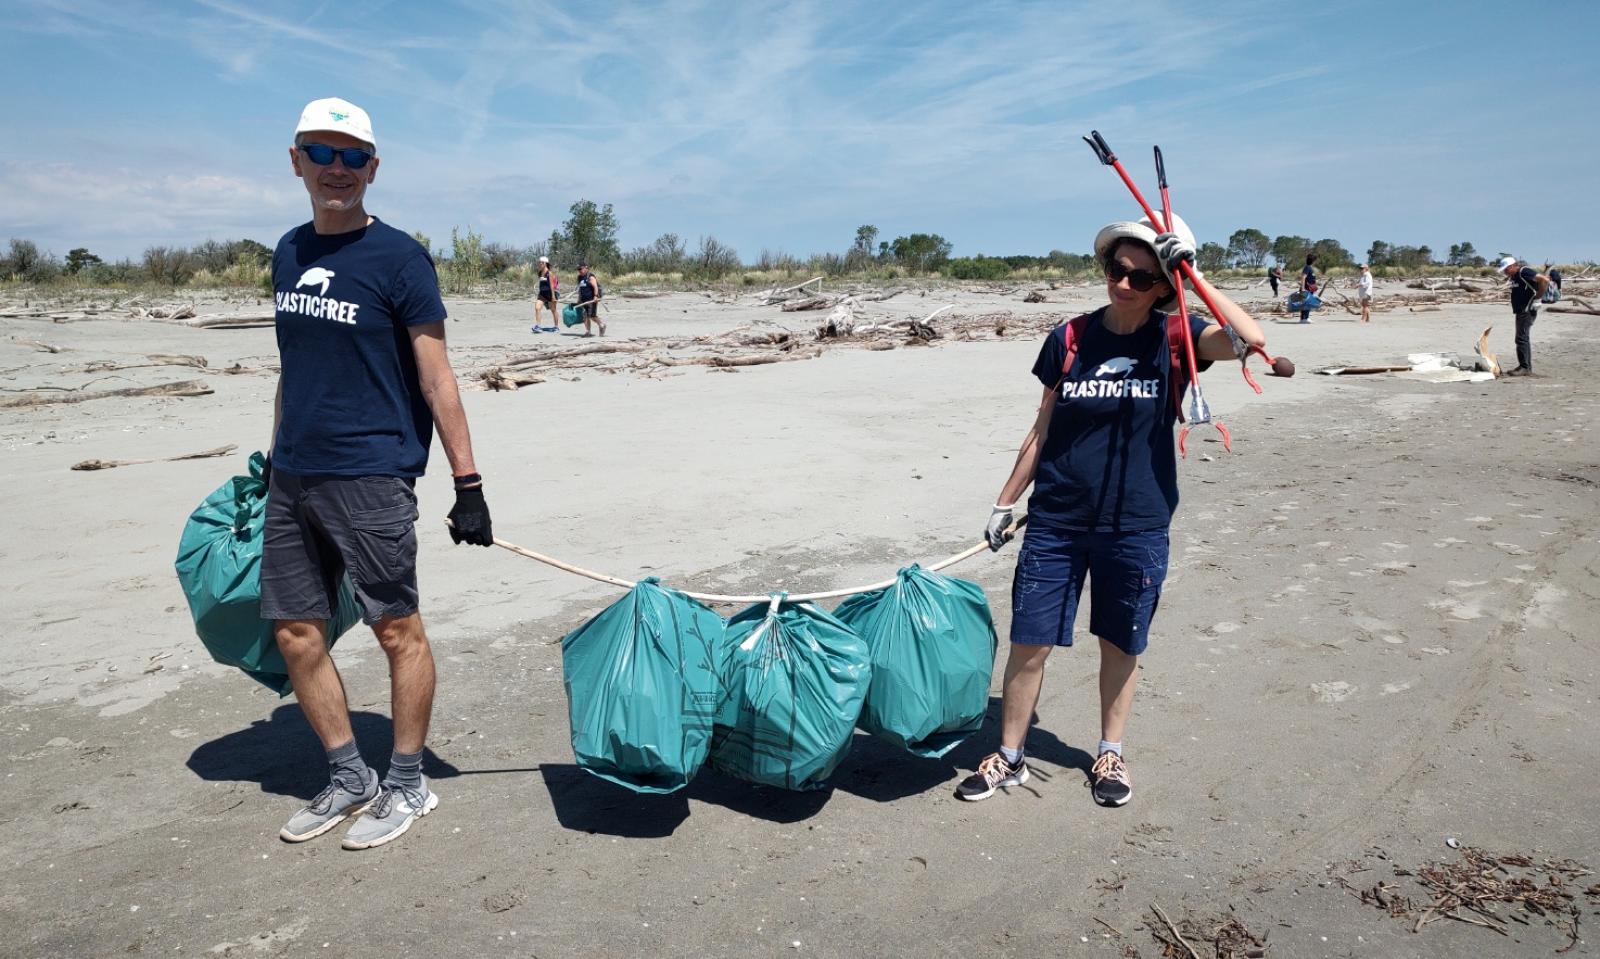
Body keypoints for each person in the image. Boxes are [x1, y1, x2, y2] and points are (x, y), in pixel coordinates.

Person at [956, 214, 1267, 807]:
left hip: (1138, 521)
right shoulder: (1069, 338)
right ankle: (1012, 756)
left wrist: (1193, 275)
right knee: (1030, 640)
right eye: (1116, 271)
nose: (1124, 285)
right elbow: (1041, 430)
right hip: (1057, 519)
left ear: (1165, 286)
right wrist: (1004, 502)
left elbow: (1249, 339)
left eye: (1143, 277)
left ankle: (1109, 752)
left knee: (1121, 643)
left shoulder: (1178, 339)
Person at [264, 97, 495, 851]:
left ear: (373, 168)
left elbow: (438, 377)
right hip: (293, 474)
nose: (338, 170)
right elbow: (291, 370)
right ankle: (348, 775)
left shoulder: (400, 259)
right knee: (297, 631)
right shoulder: (288, 252)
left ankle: (405, 782)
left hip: (371, 474)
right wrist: (272, 461)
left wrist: (469, 485)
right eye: (321, 154)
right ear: (296, 159)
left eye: (352, 156)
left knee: (396, 629)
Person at [1494, 255, 1550, 376]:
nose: (1505, 272)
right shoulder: (1515, 276)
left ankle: (1525, 368)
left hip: (1527, 309)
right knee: (1522, 338)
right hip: (1521, 310)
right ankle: (1524, 366)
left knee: (1521, 338)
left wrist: (1538, 299)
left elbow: (1544, 280)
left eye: (1506, 269)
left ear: (1513, 266)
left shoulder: (1524, 271)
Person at [576, 261, 606, 337]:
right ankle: (588, 332)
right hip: (583, 299)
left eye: (581, 269)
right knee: (585, 316)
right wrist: (579, 299)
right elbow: (580, 289)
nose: (579, 271)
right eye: (578, 269)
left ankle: (601, 324)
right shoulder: (579, 277)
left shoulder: (590, 276)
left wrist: (595, 296)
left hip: (592, 299)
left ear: (586, 268)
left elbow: (595, 287)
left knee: (592, 316)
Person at [531, 255, 559, 333]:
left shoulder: (549, 273)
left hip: (550, 294)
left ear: (545, 263)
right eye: (539, 263)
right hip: (542, 294)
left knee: (553, 310)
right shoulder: (540, 273)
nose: (539, 264)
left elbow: (552, 285)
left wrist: (553, 296)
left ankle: (556, 327)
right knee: (537, 308)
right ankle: (538, 326)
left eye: (541, 263)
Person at [1298, 253, 1318, 323]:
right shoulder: (1307, 267)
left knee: (1307, 303)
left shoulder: (1309, 267)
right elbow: (1303, 277)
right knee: (1306, 303)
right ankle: (1304, 318)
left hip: (1310, 289)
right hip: (1306, 289)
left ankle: (1306, 318)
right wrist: (1303, 288)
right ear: (1313, 261)